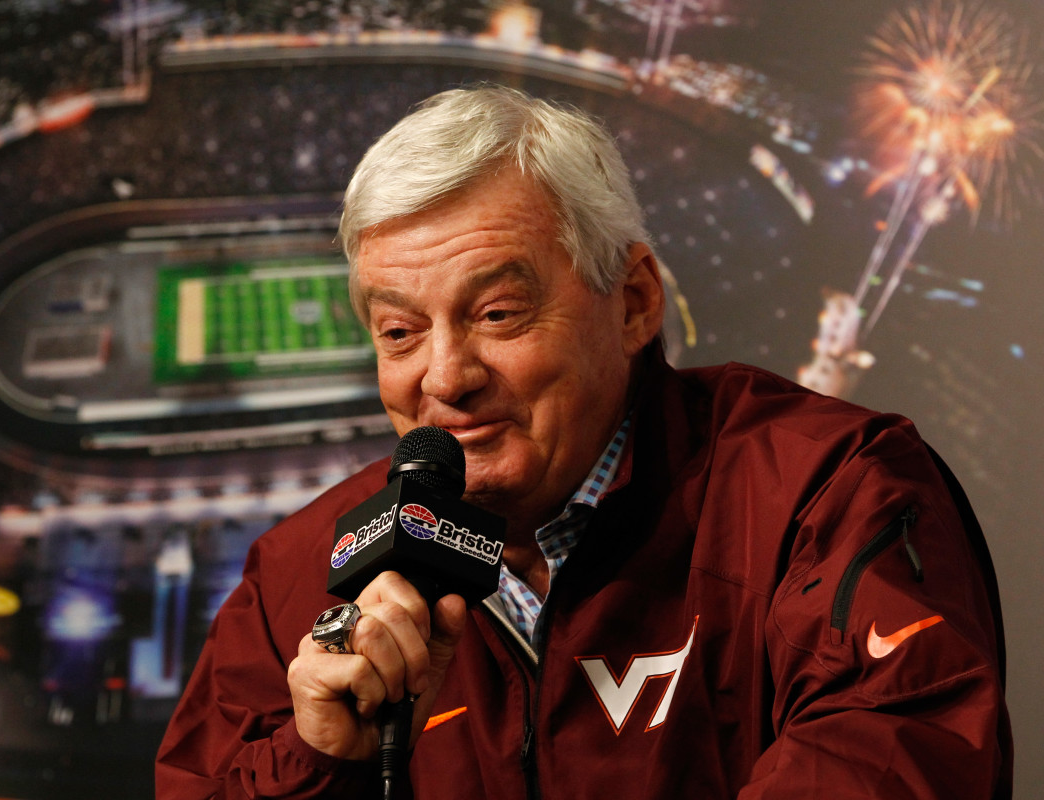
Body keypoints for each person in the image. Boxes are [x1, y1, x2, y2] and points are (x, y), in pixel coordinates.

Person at [155, 85, 1012, 799]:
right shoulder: (296, 576)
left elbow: (894, 758)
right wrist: (320, 764)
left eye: (498, 314)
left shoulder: (826, 490)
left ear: (634, 302)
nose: (446, 378)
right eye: (400, 332)